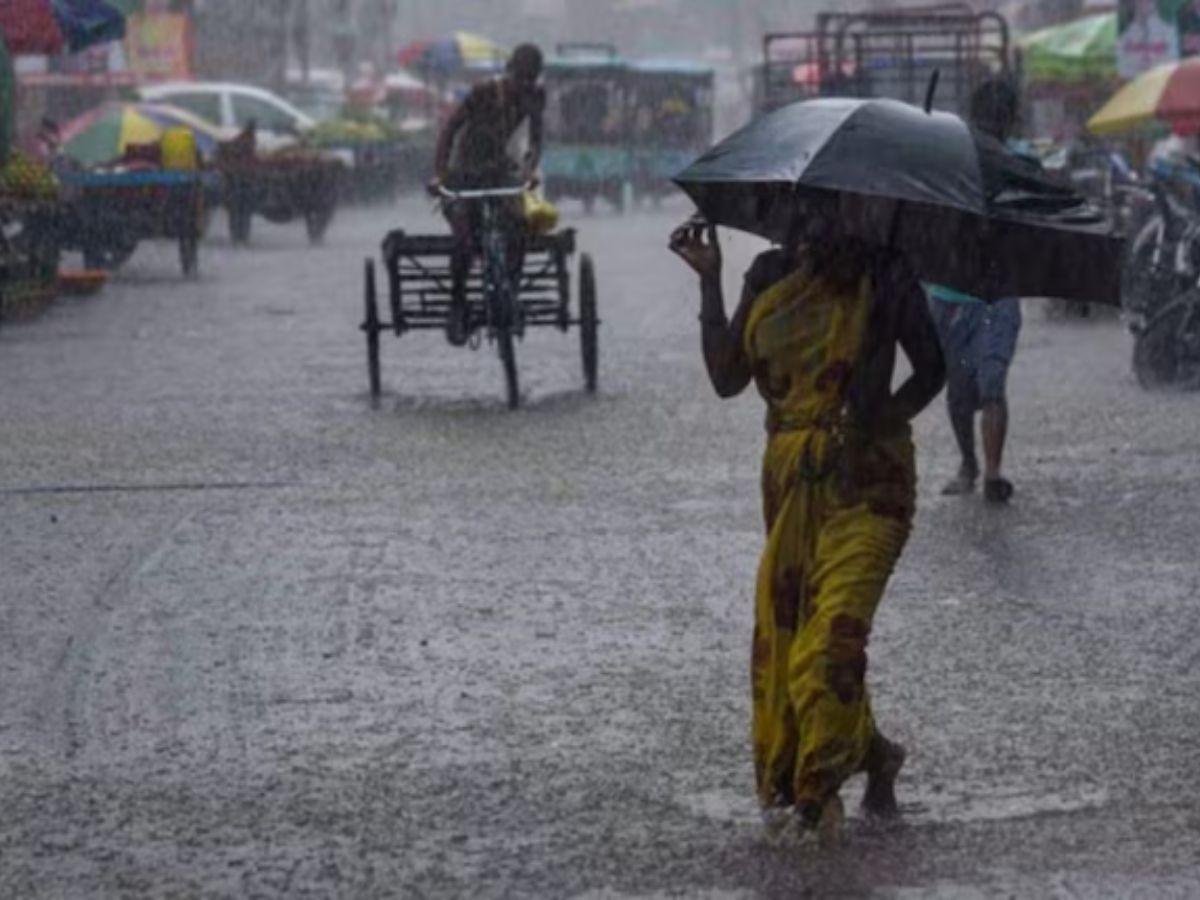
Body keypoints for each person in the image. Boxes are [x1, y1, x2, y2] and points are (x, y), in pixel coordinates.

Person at [669, 196, 945, 841]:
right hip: (792, 483)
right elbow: (725, 376)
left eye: (830, 218)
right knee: (800, 633)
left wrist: (880, 419)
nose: (814, 231)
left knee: (832, 639)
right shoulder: (768, 275)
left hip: (870, 483)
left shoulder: (887, 274)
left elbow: (933, 369)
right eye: (805, 217)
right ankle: (875, 754)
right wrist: (709, 278)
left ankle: (817, 796)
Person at [928, 79, 1025, 504]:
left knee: (992, 383)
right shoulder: (949, 161)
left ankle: (992, 471)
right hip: (951, 296)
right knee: (960, 390)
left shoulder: (1018, 166)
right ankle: (969, 463)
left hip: (997, 297)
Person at [429, 43, 545, 346]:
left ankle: (513, 295)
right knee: (465, 238)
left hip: (500, 173)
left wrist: (530, 169)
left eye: (530, 80)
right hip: (463, 174)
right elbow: (449, 130)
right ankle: (457, 304)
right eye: (521, 78)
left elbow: (536, 140)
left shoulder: (535, 97)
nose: (525, 85)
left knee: (519, 226)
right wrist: (440, 174)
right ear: (511, 73)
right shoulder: (483, 92)